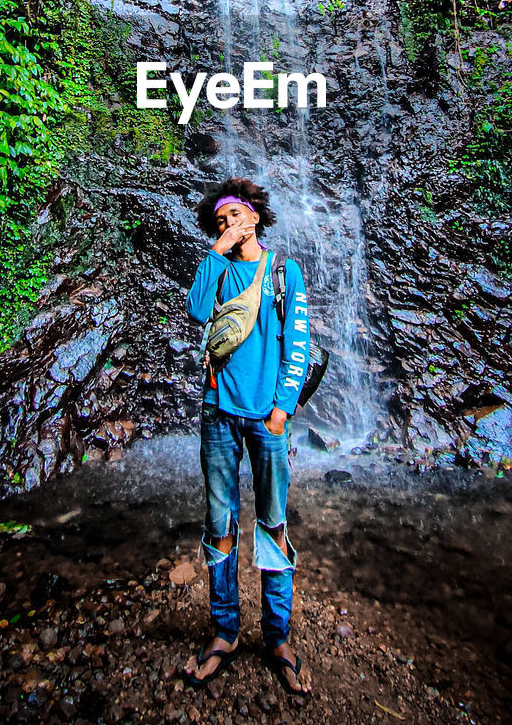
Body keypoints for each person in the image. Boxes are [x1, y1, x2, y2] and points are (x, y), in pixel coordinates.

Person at [180, 176, 313, 696]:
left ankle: (277, 638)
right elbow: (195, 311)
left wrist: (281, 409)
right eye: (218, 220)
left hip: (266, 419)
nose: (228, 223)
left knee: (274, 523)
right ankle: (225, 632)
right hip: (217, 413)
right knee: (219, 525)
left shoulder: (283, 272)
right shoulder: (215, 268)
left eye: (234, 214)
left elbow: (298, 341)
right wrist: (216, 248)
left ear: (254, 216)